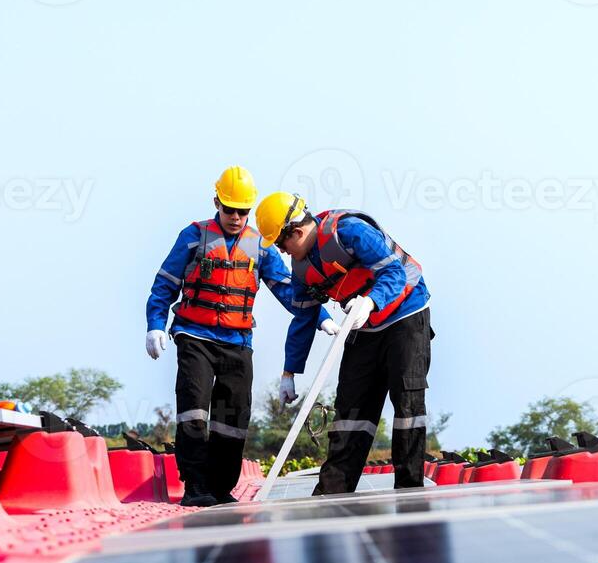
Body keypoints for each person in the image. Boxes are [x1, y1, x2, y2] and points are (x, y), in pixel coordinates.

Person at [147, 168, 336, 507]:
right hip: (195, 336)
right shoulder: (194, 236)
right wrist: (155, 324)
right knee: (193, 412)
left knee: (232, 419)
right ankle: (195, 486)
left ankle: (221, 488)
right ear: (216, 203)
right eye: (229, 209)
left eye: (242, 211)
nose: (236, 218)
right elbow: (165, 284)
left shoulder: (258, 245)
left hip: (237, 342)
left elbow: (286, 289)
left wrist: (320, 316)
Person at [255, 192, 433, 494]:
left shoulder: (349, 230)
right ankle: (333, 490)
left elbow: (394, 271)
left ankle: (409, 490)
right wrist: (290, 371)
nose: (283, 253)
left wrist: (371, 302)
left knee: (407, 403)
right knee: (351, 409)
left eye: (282, 245)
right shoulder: (301, 271)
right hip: (362, 327)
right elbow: (303, 317)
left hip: (405, 315)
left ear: (296, 232)